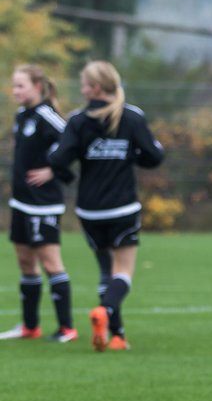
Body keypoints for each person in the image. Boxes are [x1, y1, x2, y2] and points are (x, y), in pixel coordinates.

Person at [50, 61, 165, 352]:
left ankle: (117, 335)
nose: (82, 89)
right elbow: (154, 156)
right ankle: (105, 310)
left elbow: (58, 159)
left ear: (96, 88)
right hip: (122, 208)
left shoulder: (77, 120)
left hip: (90, 210)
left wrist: (69, 175)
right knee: (123, 272)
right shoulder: (132, 117)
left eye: (85, 84)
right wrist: (130, 156)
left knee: (105, 270)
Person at [1, 64, 78, 342]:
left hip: (43, 204)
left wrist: (53, 170)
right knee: (25, 261)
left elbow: (74, 141)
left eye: (21, 85)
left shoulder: (47, 115)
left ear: (37, 86)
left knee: (50, 262)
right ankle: (30, 327)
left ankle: (67, 328)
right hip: (21, 202)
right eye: (14, 85)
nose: (15, 91)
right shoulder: (22, 115)